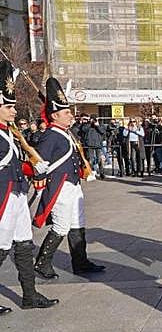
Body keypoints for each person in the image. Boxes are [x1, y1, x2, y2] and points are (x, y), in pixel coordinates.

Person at [33, 77, 106, 279]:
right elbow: (39, 162)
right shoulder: (50, 135)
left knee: (77, 223)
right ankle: (42, 263)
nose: (70, 115)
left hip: (73, 185)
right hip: (60, 187)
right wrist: (39, 183)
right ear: (54, 115)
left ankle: (80, 262)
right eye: (66, 112)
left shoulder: (65, 133)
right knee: (61, 225)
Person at [0, 61, 58, 314]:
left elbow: (12, 162)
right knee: (1, 247)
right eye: (9, 107)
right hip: (3, 197)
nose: (14, 111)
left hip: (17, 194)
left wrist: (33, 168)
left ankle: (30, 294)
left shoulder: (10, 133)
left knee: (24, 245)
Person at [81, 115, 107, 179]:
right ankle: (91, 173)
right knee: (90, 160)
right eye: (93, 119)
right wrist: (90, 123)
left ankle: (102, 173)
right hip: (89, 144)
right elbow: (83, 130)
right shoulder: (87, 124)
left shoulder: (100, 124)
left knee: (99, 160)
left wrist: (97, 125)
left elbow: (103, 132)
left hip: (98, 144)